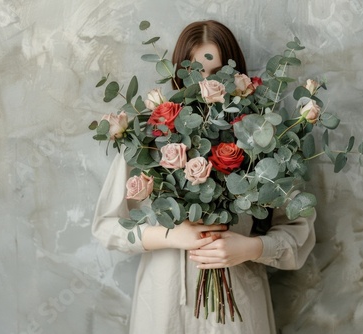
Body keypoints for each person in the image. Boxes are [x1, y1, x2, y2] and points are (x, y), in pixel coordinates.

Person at [92, 20, 316, 334]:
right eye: (196, 75)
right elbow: (105, 226)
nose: (207, 87)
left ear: (236, 77)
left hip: (238, 302)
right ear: (177, 75)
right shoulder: (145, 135)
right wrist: (171, 236)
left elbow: (299, 235)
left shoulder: (263, 137)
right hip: (164, 302)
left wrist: (251, 248)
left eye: (218, 74)